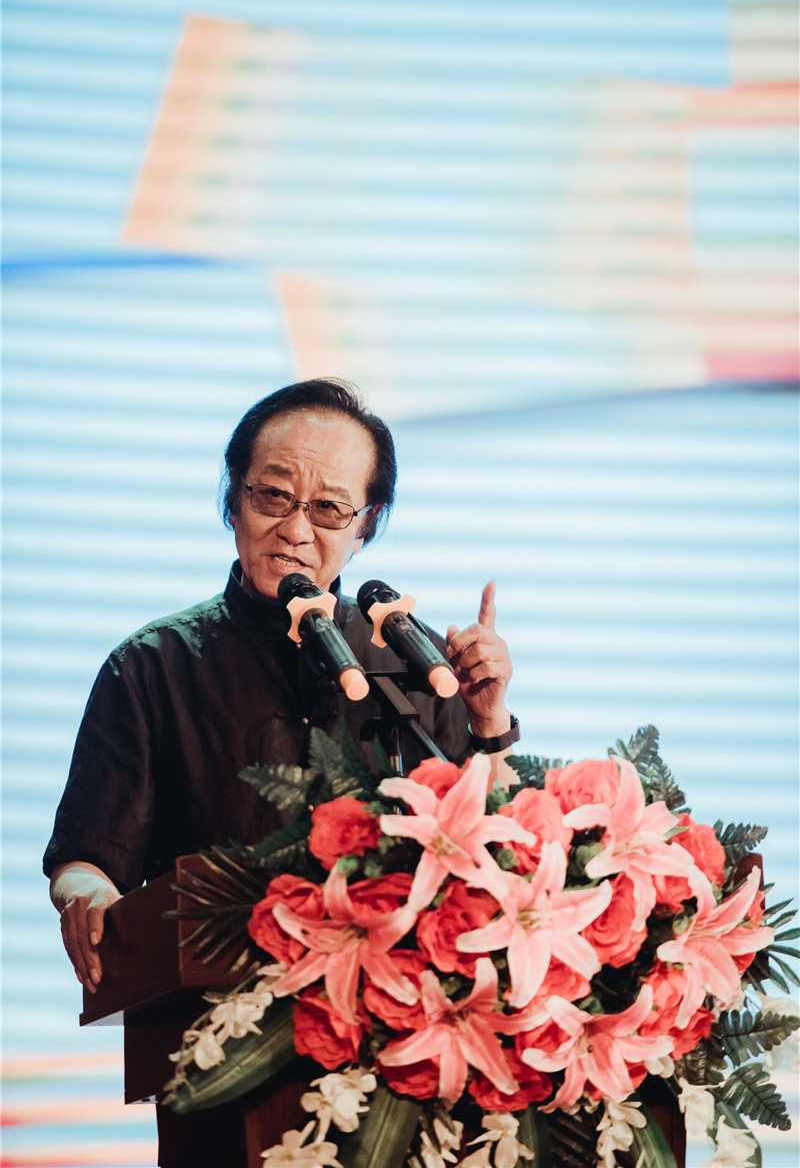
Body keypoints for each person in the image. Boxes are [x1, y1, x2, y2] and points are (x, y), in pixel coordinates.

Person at [43, 377, 518, 1165]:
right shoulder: (152, 666)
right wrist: (87, 896)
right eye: (272, 496)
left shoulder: (419, 663)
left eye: (329, 509)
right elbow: (91, 855)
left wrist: (489, 720)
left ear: (366, 526)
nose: (295, 529)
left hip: (406, 1069)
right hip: (220, 1065)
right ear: (232, 499)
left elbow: (492, 853)